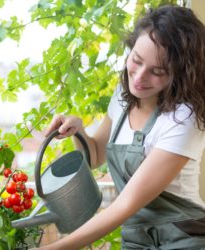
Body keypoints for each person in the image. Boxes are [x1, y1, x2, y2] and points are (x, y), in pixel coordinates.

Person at [34, 5, 205, 250]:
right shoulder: (123, 96)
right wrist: (78, 131)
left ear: (178, 74)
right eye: (136, 60)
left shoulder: (183, 119)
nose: (139, 78)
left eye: (157, 72)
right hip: (136, 239)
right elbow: (94, 156)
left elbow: (126, 204)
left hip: (182, 239)